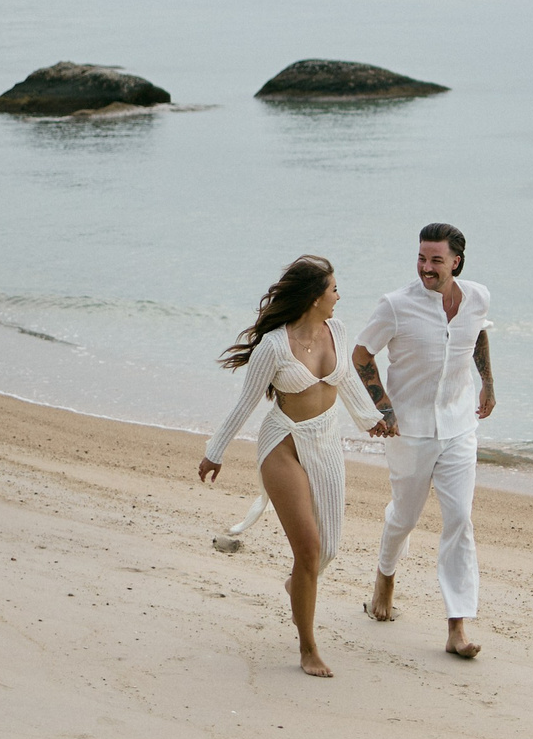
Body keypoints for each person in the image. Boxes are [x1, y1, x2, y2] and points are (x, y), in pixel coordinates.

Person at [197, 254, 390, 677]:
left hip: (326, 441)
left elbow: (346, 379)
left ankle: (298, 583)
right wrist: (216, 451)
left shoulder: (337, 330)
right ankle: (307, 648)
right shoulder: (274, 346)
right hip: (283, 444)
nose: (338, 296)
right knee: (308, 549)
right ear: (314, 297)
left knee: (328, 549)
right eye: (334, 289)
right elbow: (246, 401)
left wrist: (371, 418)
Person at [355, 221, 494, 659]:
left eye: (436, 260)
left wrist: (488, 383)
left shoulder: (478, 297)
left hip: (459, 426)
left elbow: (478, 332)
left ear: (457, 262)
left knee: (460, 520)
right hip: (409, 431)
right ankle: (385, 576)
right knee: (405, 517)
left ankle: (457, 626)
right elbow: (361, 355)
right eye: (421, 258)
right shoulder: (395, 305)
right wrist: (383, 408)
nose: (426, 268)